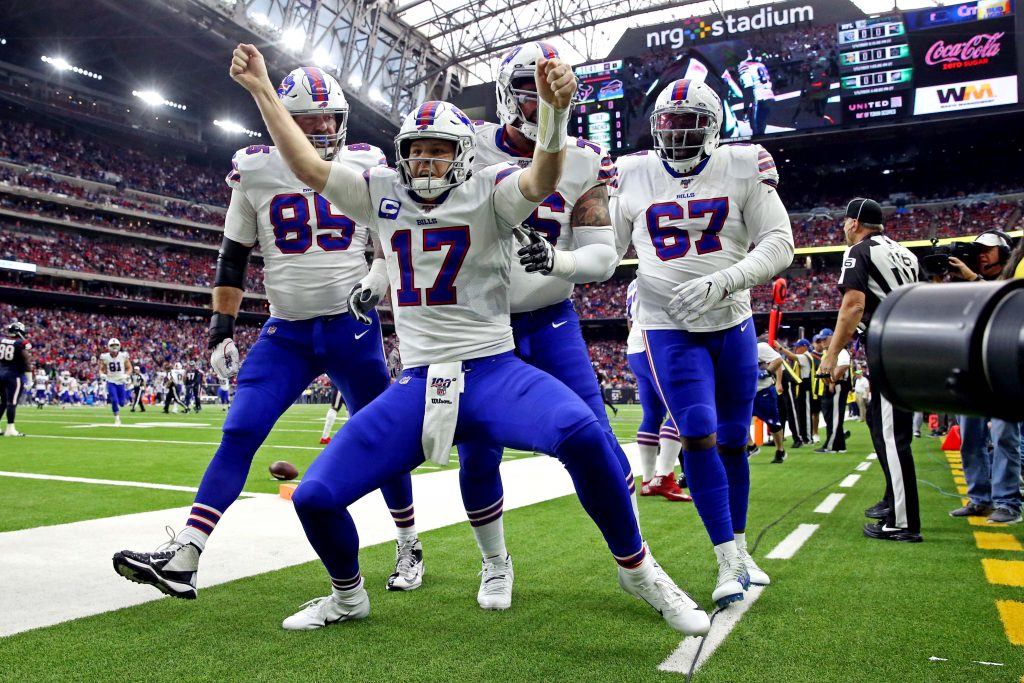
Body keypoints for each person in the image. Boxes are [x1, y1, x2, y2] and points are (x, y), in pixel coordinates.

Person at [226, 42, 709, 635]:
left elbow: (544, 174)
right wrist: (261, 91)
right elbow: (305, 165)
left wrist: (553, 114)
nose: (427, 164)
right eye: (417, 153)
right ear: (401, 158)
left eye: (440, 152)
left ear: (463, 158)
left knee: (585, 435)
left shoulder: (492, 195)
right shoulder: (380, 194)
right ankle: (348, 595)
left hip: (493, 369)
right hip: (420, 380)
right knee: (314, 498)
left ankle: (638, 569)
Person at [113, 64, 421, 600]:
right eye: (310, 118)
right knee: (239, 431)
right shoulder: (254, 171)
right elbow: (233, 257)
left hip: (352, 326)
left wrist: (377, 275)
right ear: (285, 119)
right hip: (286, 333)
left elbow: (391, 241)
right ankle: (187, 552)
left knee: (383, 438)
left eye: (332, 117)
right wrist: (219, 330)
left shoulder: (367, 164)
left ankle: (408, 542)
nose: (324, 128)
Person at [455, 41, 637, 610]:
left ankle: (636, 557)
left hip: (551, 315)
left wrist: (556, 262)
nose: (544, 104)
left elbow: (603, 258)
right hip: (480, 322)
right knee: (477, 450)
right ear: (512, 97)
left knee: (597, 437)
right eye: (535, 95)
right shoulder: (466, 144)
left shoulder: (584, 158)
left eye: (555, 93)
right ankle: (494, 563)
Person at [612, 78, 794, 605]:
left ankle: (740, 548)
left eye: (690, 123)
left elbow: (780, 242)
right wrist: (566, 261)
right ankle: (725, 559)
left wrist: (728, 279)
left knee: (735, 437)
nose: (679, 135)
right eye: (669, 124)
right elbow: (608, 249)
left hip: (732, 321)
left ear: (715, 126)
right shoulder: (633, 172)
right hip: (667, 326)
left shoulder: (743, 164)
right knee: (695, 430)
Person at [819, 197, 922, 542]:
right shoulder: (905, 252)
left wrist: (832, 354)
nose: (843, 228)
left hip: (888, 345)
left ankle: (904, 522)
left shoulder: (859, 252)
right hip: (908, 344)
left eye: (845, 222)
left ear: (855, 223)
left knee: (893, 437)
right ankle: (894, 502)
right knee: (884, 429)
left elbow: (853, 304)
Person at [946, 229, 1021, 525]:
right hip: (974, 369)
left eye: (988, 249)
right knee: (970, 438)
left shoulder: (1016, 278)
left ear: (1005, 252)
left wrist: (972, 280)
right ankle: (980, 499)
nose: (981, 254)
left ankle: (1008, 502)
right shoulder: (968, 286)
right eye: (978, 250)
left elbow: (1005, 304)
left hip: (1005, 369)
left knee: (1004, 436)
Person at [626, 279, 690, 501]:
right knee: (681, 410)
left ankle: (648, 480)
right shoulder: (660, 270)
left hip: (634, 346)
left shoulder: (632, 284)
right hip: (654, 342)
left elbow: (629, 319)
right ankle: (664, 477)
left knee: (652, 416)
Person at [815, 329, 851, 453]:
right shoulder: (829, 352)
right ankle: (839, 445)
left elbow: (844, 365)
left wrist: (832, 380)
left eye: (825, 338)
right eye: (821, 339)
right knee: (831, 417)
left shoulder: (840, 350)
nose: (823, 341)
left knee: (835, 416)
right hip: (832, 385)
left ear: (832, 337)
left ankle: (832, 445)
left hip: (837, 385)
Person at [753, 338, 787, 463]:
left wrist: (767, 372)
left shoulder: (759, 347)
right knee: (738, 421)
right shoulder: (732, 349)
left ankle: (780, 450)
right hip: (744, 393)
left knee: (773, 423)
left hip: (763, 391)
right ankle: (751, 446)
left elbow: (778, 360)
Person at [0, 321, 32, 437]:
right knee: (11, 403)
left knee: (2, 402)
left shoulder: (2, 340)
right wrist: (29, 378)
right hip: (13, 375)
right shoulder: (19, 343)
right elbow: (28, 350)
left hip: (1, 372)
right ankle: (10, 429)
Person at [98, 338, 132, 427]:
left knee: (122, 403)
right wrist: (102, 375)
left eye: (116, 345)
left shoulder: (123, 356)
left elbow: (129, 368)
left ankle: (127, 396)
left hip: (121, 381)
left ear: (119, 346)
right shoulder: (105, 357)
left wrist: (127, 375)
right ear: (109, 347)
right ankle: (117, 419)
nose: (114, 347)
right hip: (111, 381)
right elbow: (101, 369)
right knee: (114, 400)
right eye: (112, 346)